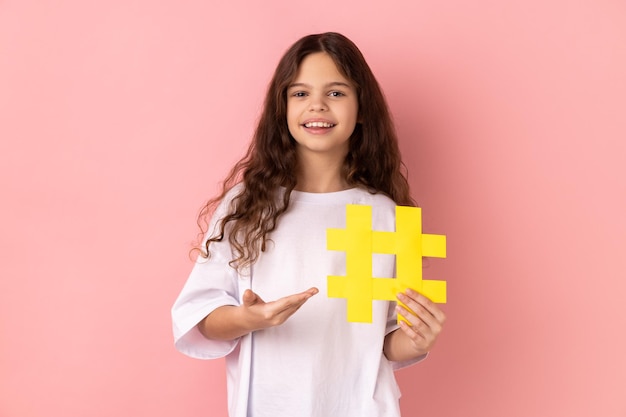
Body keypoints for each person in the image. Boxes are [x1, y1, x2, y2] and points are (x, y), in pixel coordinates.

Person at [171, 32, 446, 417]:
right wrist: (248, 318)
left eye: (336, 93)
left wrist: (417, 340)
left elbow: (381, 341)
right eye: (300, 94)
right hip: (270, 404)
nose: (317, 105)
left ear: (362, 108)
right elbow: (200, 319)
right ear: (282, 108)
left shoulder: (383, 214)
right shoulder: (249, 205)